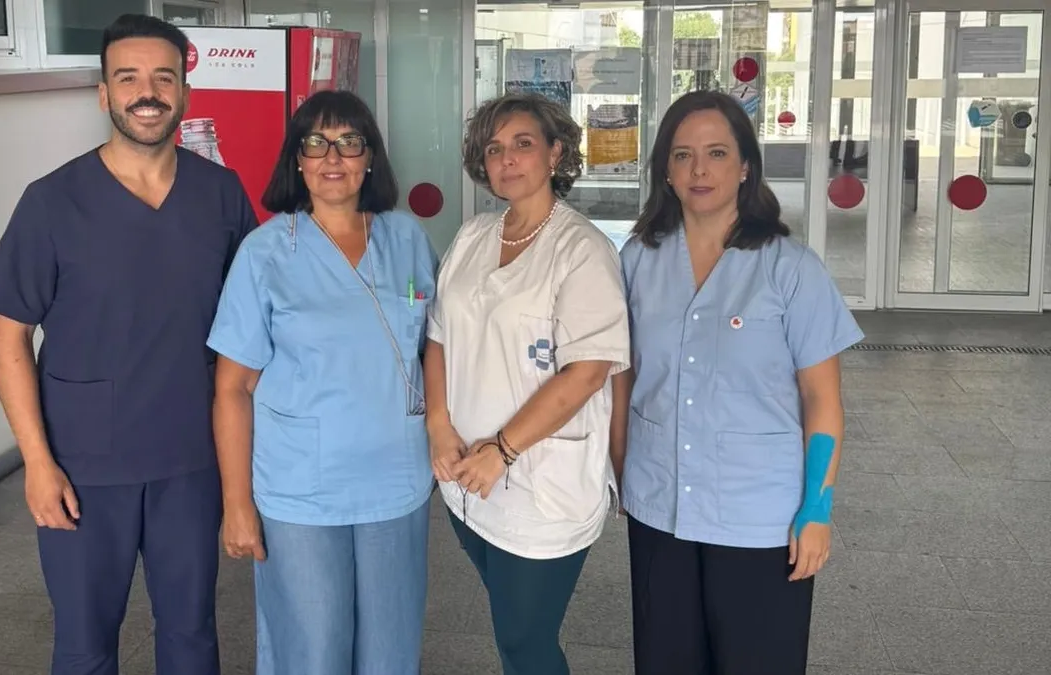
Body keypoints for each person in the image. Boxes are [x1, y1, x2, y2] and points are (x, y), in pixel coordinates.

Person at [0, 14, 256, 675]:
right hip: (83, 466)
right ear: (104, 94)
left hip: (190, 459)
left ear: (185, 92)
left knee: (191, 633)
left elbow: (249, 327)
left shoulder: (220, 193)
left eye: (163, 77)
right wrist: (37, 463)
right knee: (84, 642)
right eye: (128, 78)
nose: (146, 92)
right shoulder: (52, 203)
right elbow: (9, 337)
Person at [611, 89, 864, 675]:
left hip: (760, 516)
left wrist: (817, 508)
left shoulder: (790, 268)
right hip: (660, 504)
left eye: (717, 153)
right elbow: (624, 375)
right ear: (665, 171)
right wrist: (621, 466)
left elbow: (822, 399)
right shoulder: (638, 260)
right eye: (682, 155)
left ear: (746, 166)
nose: (699, 170)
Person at [207, 89, 438, 675]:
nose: (333, 157)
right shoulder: (265, 253)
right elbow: (233, 388)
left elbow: (434, 348)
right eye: (316, 143)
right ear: (298, 159)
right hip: (300, 488)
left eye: (349, 142)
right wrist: (236, 504)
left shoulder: (406, 238)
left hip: (395, 481)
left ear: (370, 157)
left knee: (390, 652)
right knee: (310, 650)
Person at [424, 92, 630, 675]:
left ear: (555, 153)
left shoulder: (582, 249)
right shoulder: (472, 237)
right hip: (466, 477)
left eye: (523, 144)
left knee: (523, 640)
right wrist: (439, 425)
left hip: (542, 486)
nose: (507, 159)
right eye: (494, 149)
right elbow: (438, 336)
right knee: (511, 626)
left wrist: (504, 450)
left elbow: (588, 371)